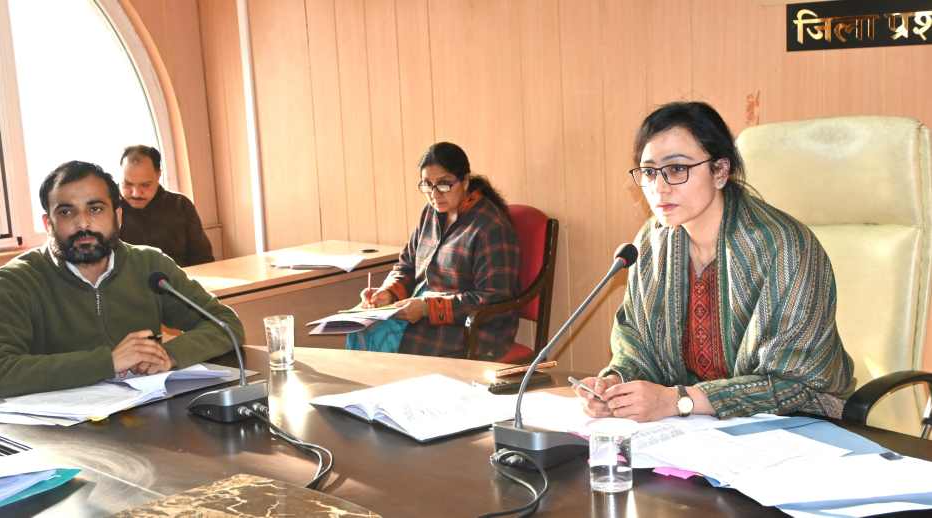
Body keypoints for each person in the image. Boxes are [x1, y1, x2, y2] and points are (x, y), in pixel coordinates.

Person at [574, 102, 855, 422]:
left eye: (677, 169)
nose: (659, 187)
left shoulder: (784, 247)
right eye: (649, 172)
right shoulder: (650, 245)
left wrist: (679, 400)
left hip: (799, 423)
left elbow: (794, 382)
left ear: (720, 171)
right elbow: (636, 348)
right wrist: (614, 386)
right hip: (697, 427)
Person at [0, 161, 243, 400]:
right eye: (66, 212)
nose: (83, 224)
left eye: (95, 209)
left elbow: (226, 324)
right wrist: (108, 362)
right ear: (48, 224)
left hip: (143, 418)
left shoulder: (149, 265)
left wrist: (169, 355)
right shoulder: (15, 281)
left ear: (118, 216)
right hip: (60, 431)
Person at [347, 142, 520, 360]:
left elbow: (493, 299)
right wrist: (388, 293)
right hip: (422, 314)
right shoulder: (431, 213)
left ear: (465, 181)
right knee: (360, 327)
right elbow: (406, 266)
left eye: (444, 184)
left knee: (387, 337)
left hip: (470, 327)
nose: (434, 194)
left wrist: (428, 308)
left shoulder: (490, 226)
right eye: (427, 185)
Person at [119, 145, 214, 267]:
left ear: (158, 175)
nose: (136, 193)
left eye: (145, 185)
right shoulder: (108, 209)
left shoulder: (180, 205)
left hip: (179, 277)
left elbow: (203, 259)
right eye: (128, 184)